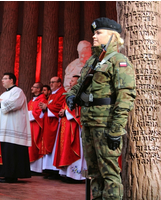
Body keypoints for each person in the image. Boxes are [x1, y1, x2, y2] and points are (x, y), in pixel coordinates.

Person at [66, 17, 136, 199]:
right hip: (88, 123)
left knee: (110, 173)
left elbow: (125, 97)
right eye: (94, 33)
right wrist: (71, 95)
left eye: (98, 33)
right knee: (93, 172)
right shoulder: (92, 62)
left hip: (105, 125)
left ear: (112, 36)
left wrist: (116, 130)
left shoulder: (119, 61)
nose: (93, 36)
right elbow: (77, 85)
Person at [0, 72, 31, 183]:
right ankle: (6, 174)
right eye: (2, 78)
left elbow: (14, 104)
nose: (2, 80)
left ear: (11, 80)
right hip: (3, 128)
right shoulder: (4, 94)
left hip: (14, 128)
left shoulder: (18, 91)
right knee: (6, 151)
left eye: (5, 78)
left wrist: (0, 102)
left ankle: (12, 175)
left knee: (12, 152)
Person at [55, 75, 87, 182]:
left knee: (77, 150)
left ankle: (77, 176)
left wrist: (66, 112)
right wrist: (62, 112)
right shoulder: (69, 94)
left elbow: (80, 109)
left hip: (75, 127)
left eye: (73, 81)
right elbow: (65, 107)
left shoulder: (81, 93)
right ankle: (67, 174)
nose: (70, 83)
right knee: (66, 150)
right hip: (66, 125)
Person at [38, 77, 66, 179]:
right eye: (50, 82)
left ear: (59, 83)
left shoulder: (62, 93)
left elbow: (59, 107)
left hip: (56, 124)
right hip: (49, 123)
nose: (51, 84)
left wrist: (47, 107)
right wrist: (44, 108)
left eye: (53, 82)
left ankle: (55, 170)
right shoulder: (52, 95)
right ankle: (49, 169)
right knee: (49, 145)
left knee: (55, 146)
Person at [27, 82, 47, 174]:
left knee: (35, 145)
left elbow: (38, 114)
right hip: (30, 125)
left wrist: (25, 114)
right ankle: (30, 167)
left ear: (39, 89)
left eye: (34, 87)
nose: (31, 88)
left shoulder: (42, 99)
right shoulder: (32, 100)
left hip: (36, 125)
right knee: (30, 146)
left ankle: (36, 169)